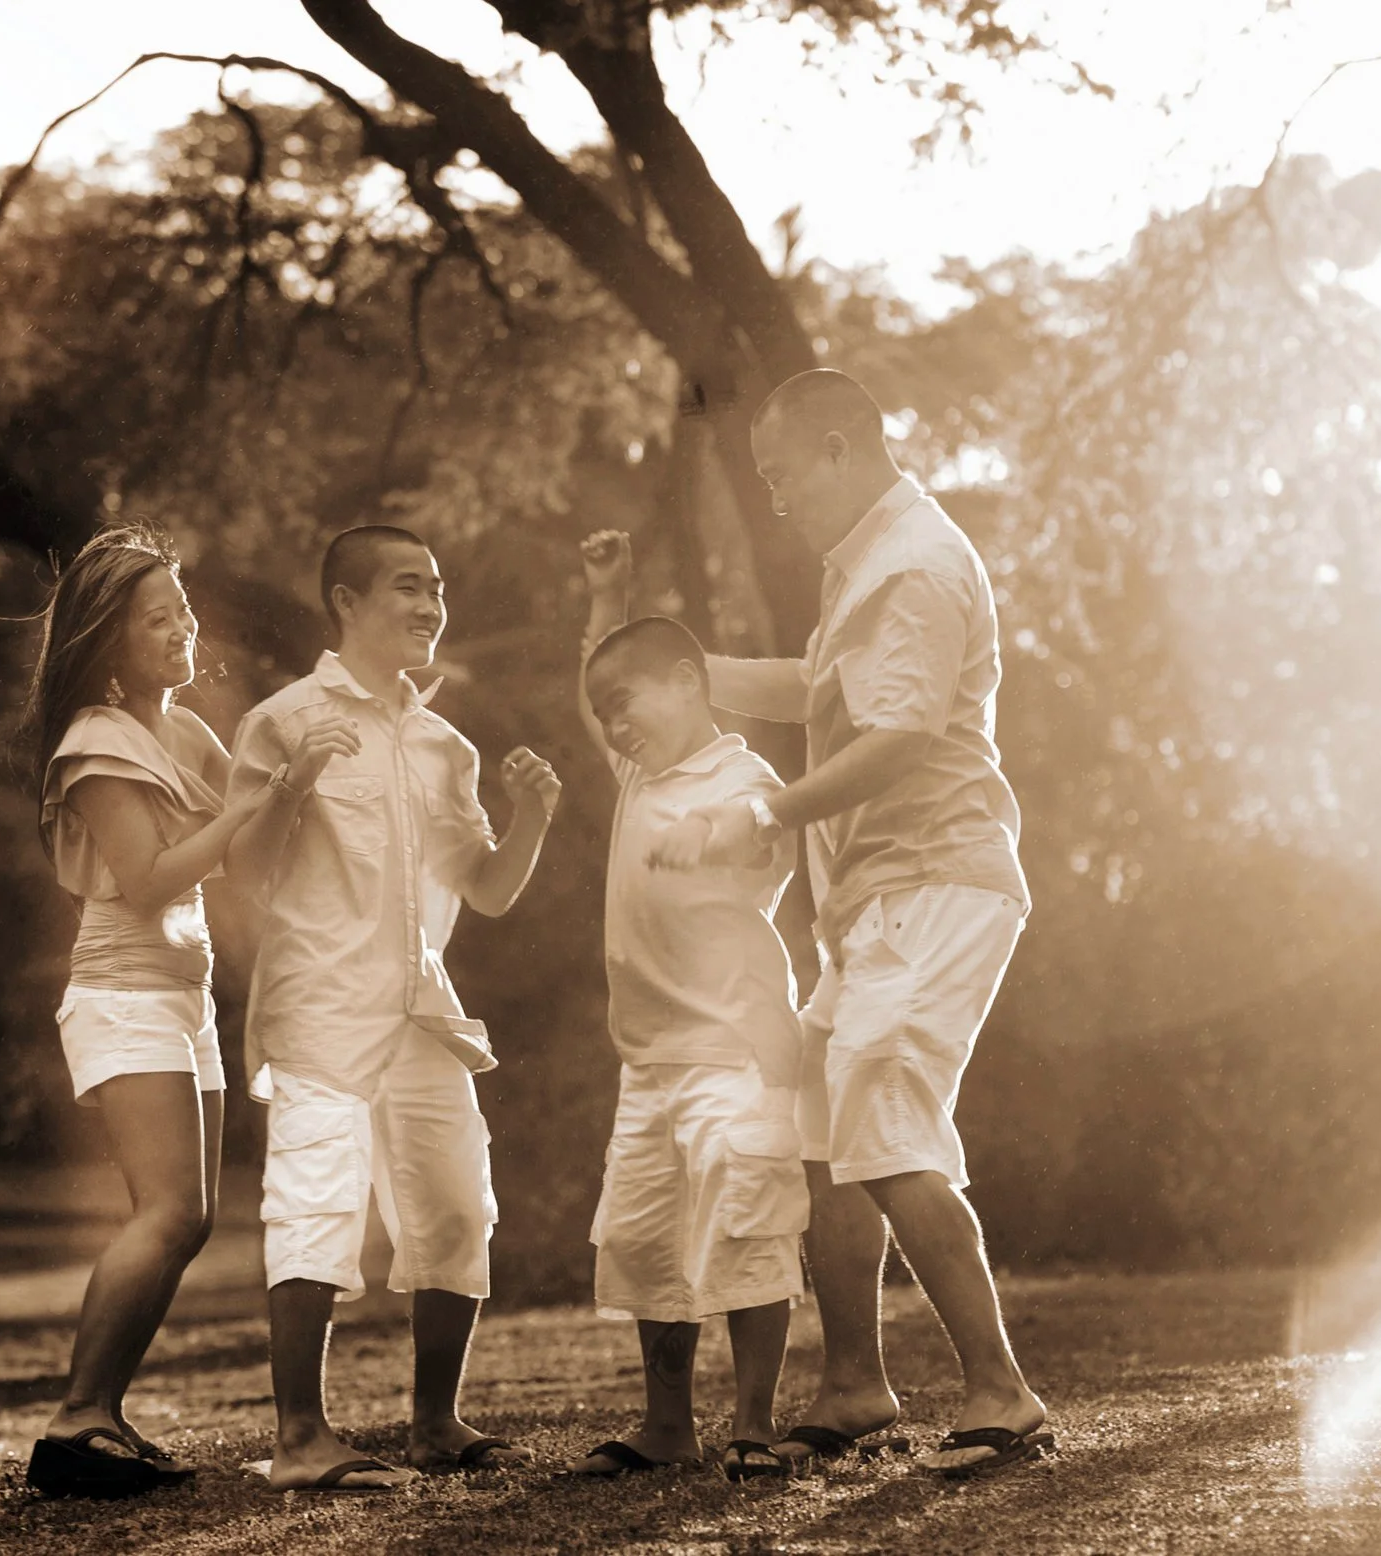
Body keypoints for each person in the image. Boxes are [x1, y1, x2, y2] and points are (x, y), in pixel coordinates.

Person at [661, 368, 1048, 1478]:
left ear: (840, 449)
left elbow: (901, 734)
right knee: (829, 1140)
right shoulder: (870, 563)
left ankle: (1001, 1390)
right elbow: (826, 689)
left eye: (781, 473)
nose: (774, 496)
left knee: (882, 1113)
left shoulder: (915, 564)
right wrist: (693, 678)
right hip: (879, 896)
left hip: (938, 882)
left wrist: (761, 811)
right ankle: (853, 1382)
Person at [224, 524, 561, 1493]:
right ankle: (299, 1437)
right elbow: (243, 873)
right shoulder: (282, 720)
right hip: (319, 1000)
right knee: (315, 1201)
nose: (430, 605)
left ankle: (435, 1420)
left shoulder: (443, 744)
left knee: (458, 1204)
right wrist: (296, 781)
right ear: (344, 600)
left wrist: (532, 814)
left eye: (437, 589)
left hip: (423, 1006)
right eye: (408, 586)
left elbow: (489, 889)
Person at [24, 525, 305, 1498]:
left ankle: (101, 1412)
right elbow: (146, 880)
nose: (183, 626)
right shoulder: (94, 744)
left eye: (183, 608)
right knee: (170, 1210)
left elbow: (254, 831)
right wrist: (244, 812)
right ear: (110, 638)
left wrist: (296, 783)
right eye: (158, 616)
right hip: (121, 994)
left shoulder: (183, 732)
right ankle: (74, 1420)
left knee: (191, 1221)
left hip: (182, 995)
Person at [566, 530, 808, 1484]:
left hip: (734, 1050)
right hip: (651, 1059)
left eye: (623, 703)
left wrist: (711, 836)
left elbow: (756, 830)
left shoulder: (743, 779)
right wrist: (603, 598)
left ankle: (753, 1422)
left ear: (686, 683)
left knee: (745, 1226)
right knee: (647, 1241)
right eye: (602, 713)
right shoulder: (638, 775)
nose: (611, 725)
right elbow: (604, 683)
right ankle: (668, 1425)